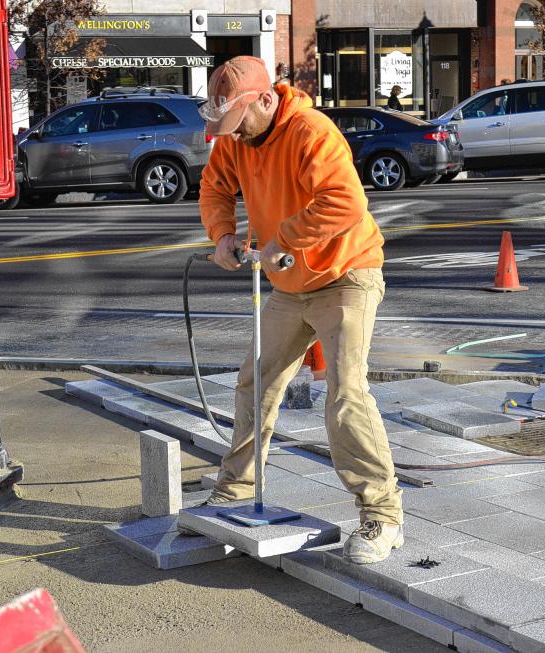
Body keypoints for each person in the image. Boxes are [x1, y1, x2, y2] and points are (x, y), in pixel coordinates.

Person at [193, 56, 404, 565]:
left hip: (346, 275)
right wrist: (222, 236)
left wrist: (283, 238)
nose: (234, 136)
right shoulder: (236, 141)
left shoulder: (311, 131)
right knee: (256, 381)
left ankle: (383, 516)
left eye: (239, 122)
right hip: (291, 284)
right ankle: (236, 489)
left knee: (346, 395)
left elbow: (344, 201)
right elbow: (215, 187)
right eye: (225, 127)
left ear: (266, 100)